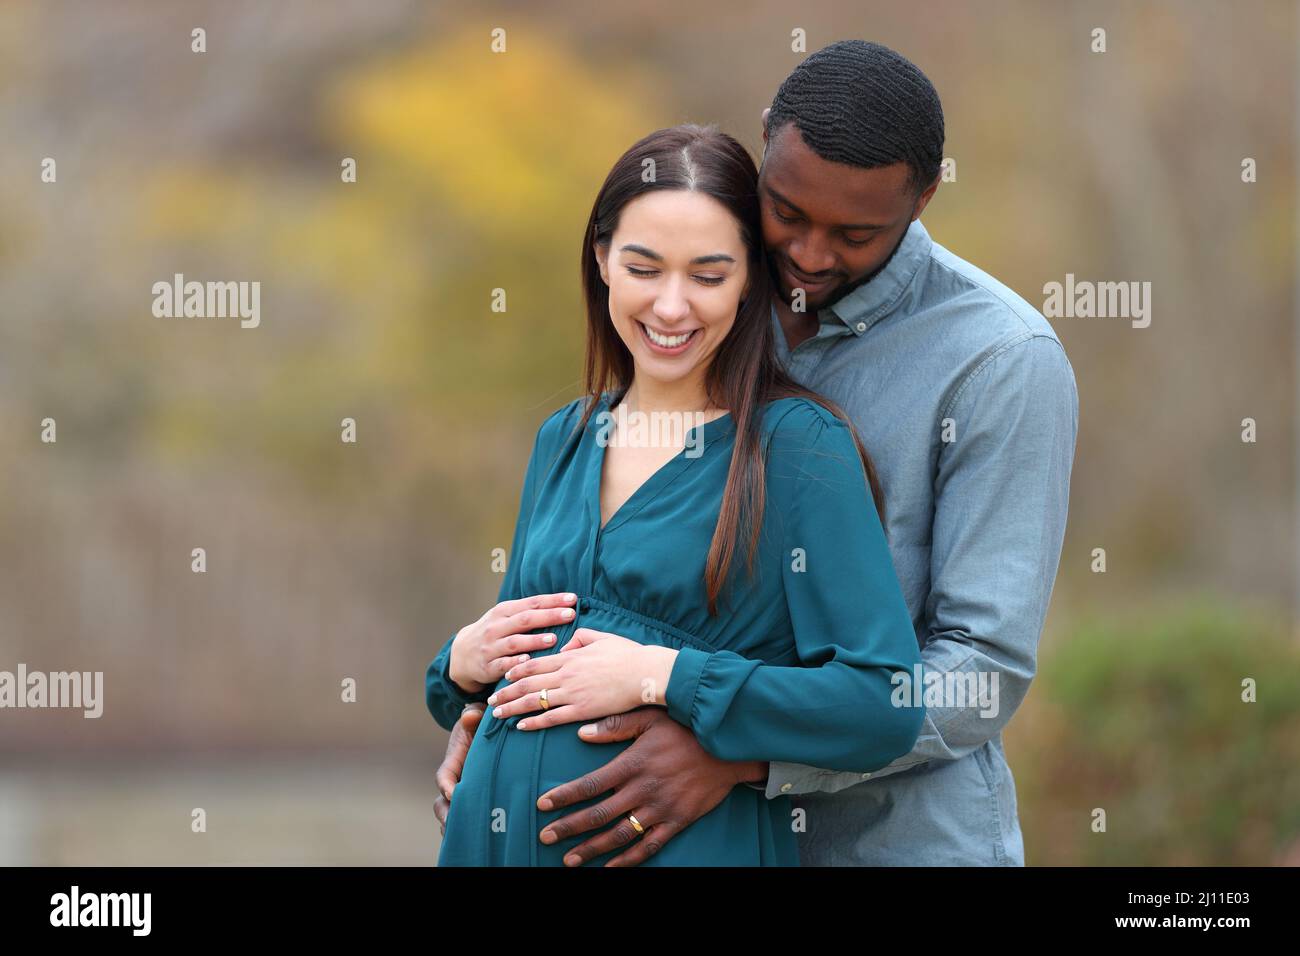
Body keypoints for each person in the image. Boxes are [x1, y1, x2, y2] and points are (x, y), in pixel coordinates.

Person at [433, 39, 1079, 868]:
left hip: (891, 841)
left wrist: (746, 759)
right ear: (767, 142)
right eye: (788, 214)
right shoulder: (707, 291)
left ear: (925, 197)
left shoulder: (1000, 359)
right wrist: (492, 721)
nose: (810, 255)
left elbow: (978, 670)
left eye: (856, 233)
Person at [425, 122, 925, 866]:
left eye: (707, 275)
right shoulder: (562, 437)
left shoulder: (796, 447)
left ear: (751, 278)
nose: (669, 306)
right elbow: (521, 656)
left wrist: (662, 675)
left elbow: (882, 705)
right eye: (644, 267)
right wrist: (459, 667)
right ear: (602, 261)